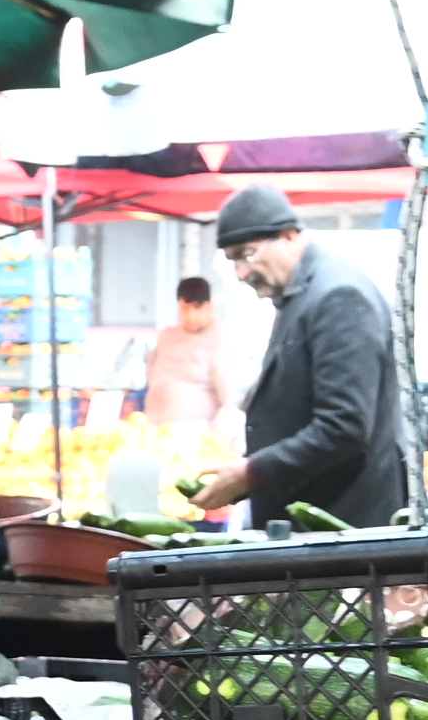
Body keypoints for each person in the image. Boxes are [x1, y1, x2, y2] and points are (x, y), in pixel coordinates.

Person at [190, 184, 413, 526]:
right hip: (315, 520)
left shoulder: (339, 296)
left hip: (345, 524)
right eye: (232, 260)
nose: (241, 273)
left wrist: (251, 472)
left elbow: (344, 426)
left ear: (290, 236)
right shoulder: (302, 294)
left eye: (246, 254)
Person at [137, 274, 231, 440]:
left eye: (197, 308)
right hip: (155, 431)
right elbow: (152, 372)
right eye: (184, 309)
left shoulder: (222, 338)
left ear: (210, 306)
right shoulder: (167, 336)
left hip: (198, 437)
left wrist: (216, 436)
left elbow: (230, 401)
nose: (190, 316)